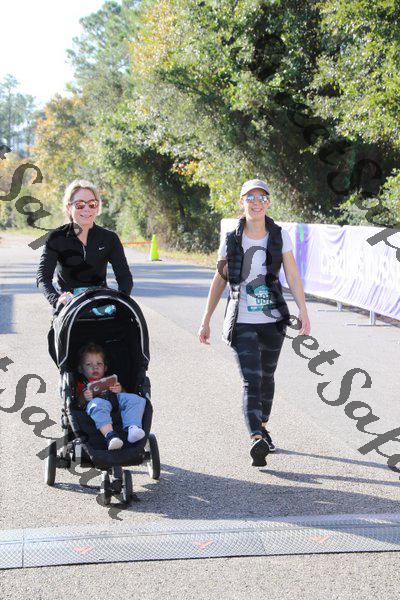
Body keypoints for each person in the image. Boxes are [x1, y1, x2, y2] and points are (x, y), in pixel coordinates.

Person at [198, 179, 311, 467]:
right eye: (250, 197)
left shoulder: (279, 235)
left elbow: (292, 274)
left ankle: (263, 425)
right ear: (242, 202)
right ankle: (256, 437)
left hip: (273, 321)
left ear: (268, 202)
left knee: (267, 377)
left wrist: (303, 311)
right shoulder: (231, 238)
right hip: (242, 319)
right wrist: (206, 319)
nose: (256, 202)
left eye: (261, 197)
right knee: (252, 379)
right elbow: (220, 279)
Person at [36, 179, 133, 310]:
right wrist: (56, 300)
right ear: (69, 207)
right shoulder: (56, 238)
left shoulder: (110, 238)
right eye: (80, 205)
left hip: (100, 303)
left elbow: (124, 276)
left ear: (97, 207)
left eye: (92, 204)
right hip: (68, 306)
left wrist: (121, 300)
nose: (87, 209)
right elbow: (43, 277)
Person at [76, 342, 146, 450]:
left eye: (99, 364)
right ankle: (110, 436)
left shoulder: (110, 380)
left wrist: (120, 390)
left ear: (105, 367)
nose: (95, 367)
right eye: (89, 364)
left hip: (115, 404)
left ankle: (133, 427)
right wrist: (84, 397)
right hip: (97, 409)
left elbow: (125, 396)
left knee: (135, 399)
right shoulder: (82, 385)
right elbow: (78, 404)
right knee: (97, 404)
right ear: (81, 369)